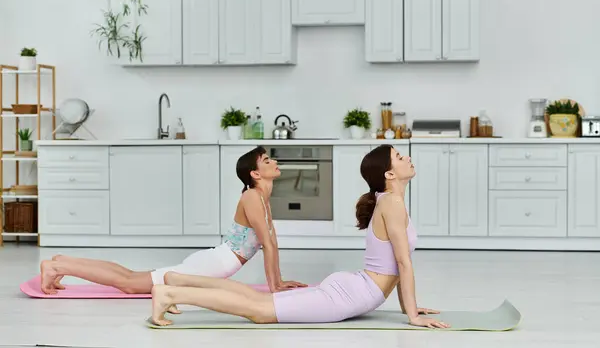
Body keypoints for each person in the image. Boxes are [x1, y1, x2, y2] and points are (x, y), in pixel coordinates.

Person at [149, 144, 450, 329]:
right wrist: (412, 315)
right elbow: (403, 264)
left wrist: (409, 306)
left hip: (354, 287)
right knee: (260, 311)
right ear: (389, 174)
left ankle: (176, 282)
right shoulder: (393, 203)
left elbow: (397, 266)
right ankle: (172, 293)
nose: (406, 158)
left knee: (259, 302)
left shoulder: (389, 202)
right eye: (399, 156)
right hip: (352, 294)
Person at [39, 146, 307, 296]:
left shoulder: (260, 198)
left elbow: (272, 244)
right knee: (131, 284)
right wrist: (276, 285)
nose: (274, 162)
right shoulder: (251, 197)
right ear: (255, 174)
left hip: (213, 262)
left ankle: (62, 262)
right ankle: (57, 266)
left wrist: (278, 282)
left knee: (131, 277)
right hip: (212, 265)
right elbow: (268, 246)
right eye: (266, 160)